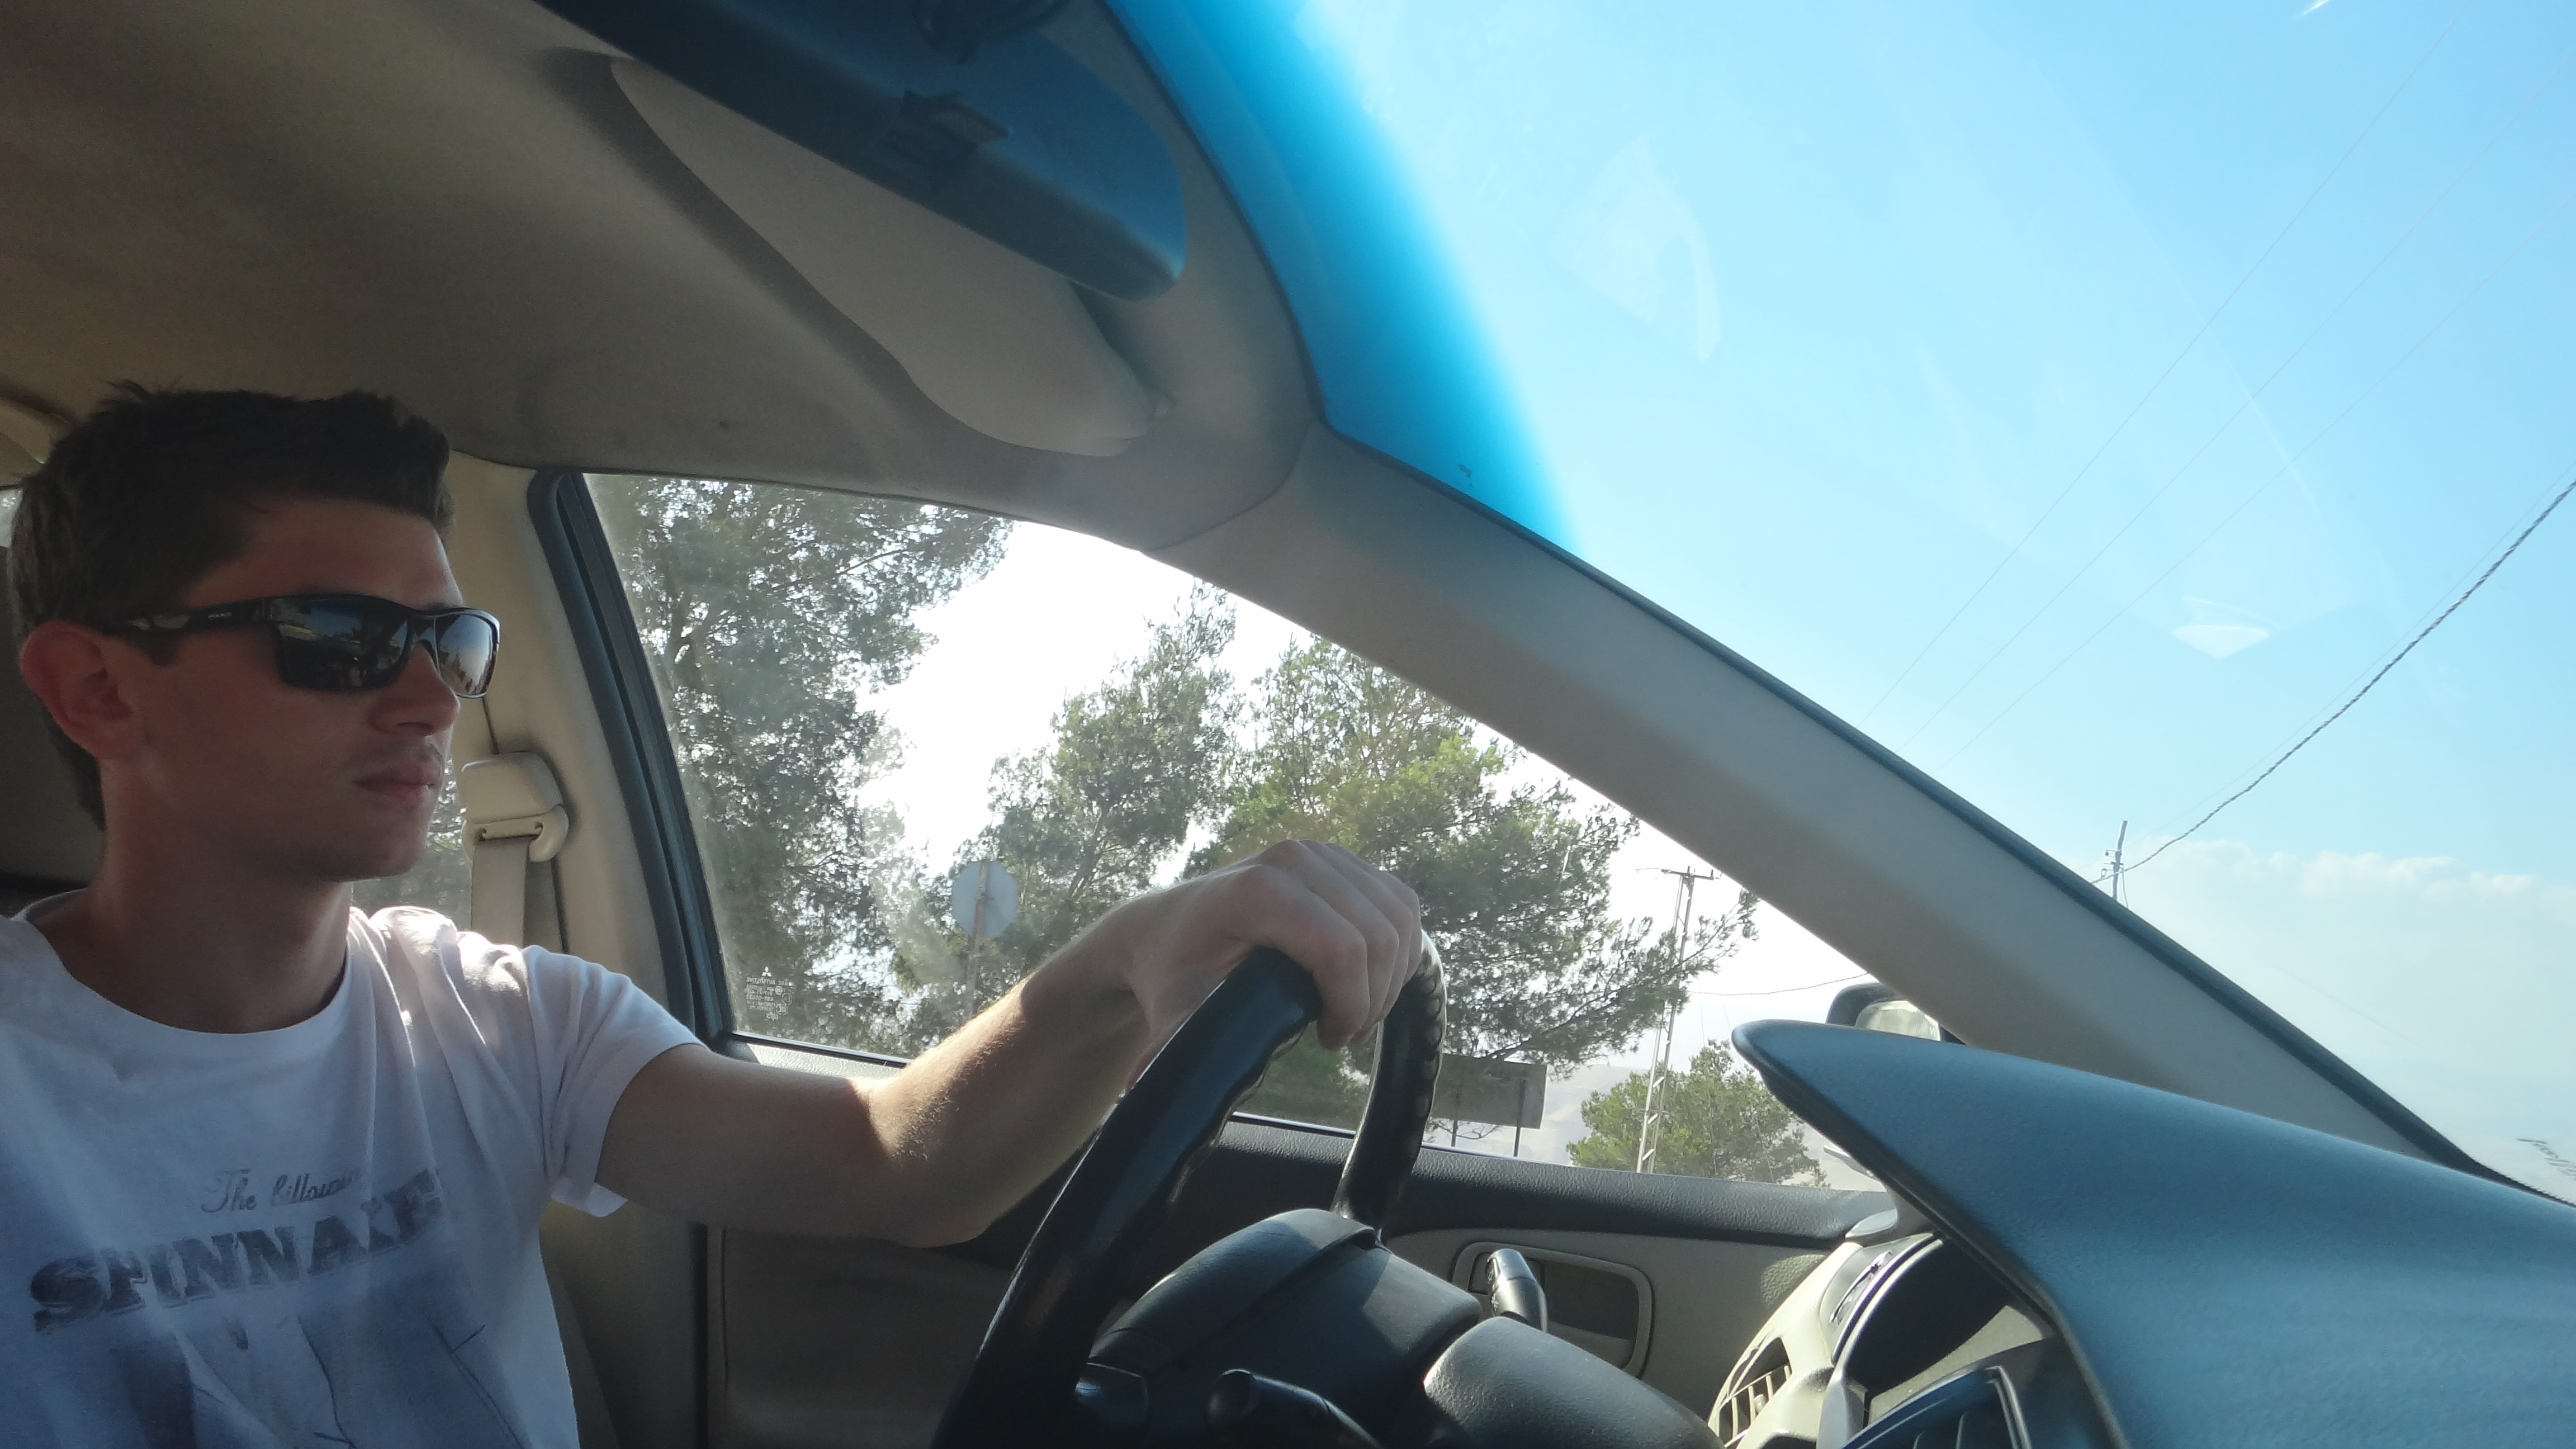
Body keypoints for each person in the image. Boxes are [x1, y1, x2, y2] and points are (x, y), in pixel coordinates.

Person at [2, 386, 1423, 1446]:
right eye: (341, 639)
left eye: (450, 641)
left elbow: (894, 1166)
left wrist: (1124, 960)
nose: (434, 699)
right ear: (97, 689)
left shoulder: (498, 1021)